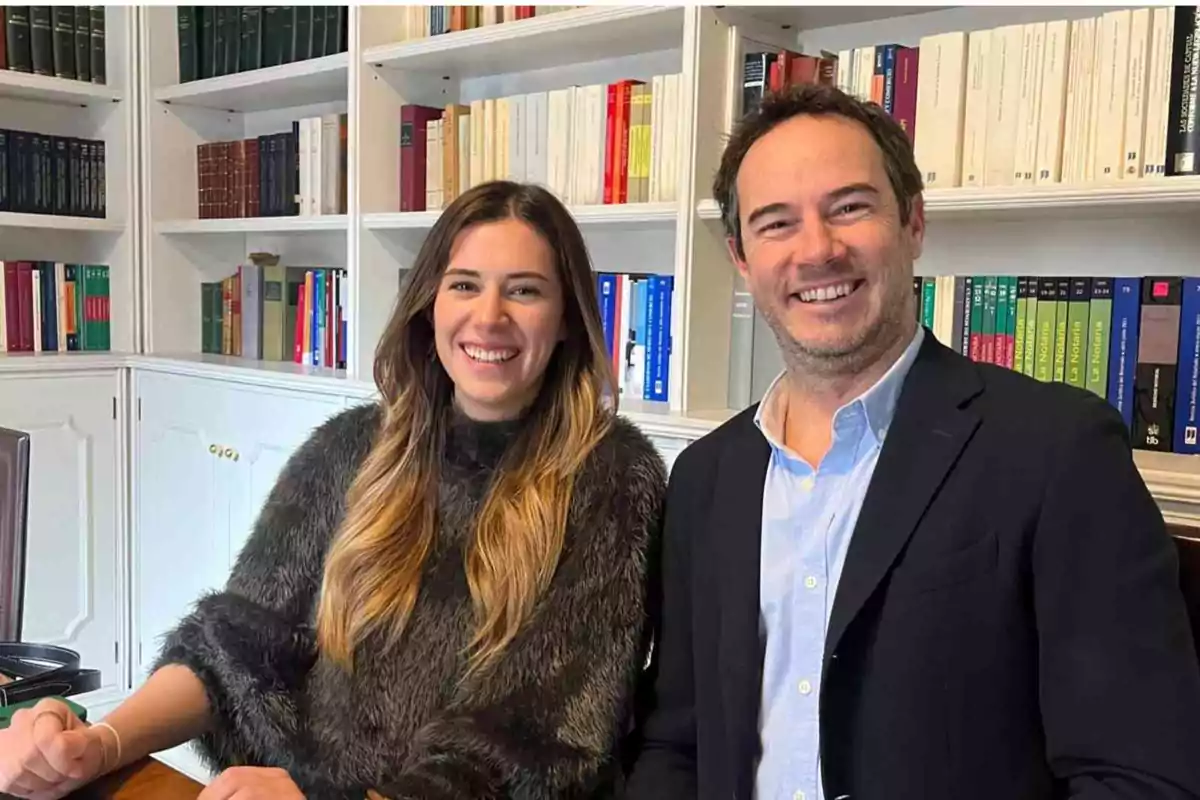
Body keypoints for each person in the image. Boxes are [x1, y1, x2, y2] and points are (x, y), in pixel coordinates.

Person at [0, 180, 668, 800]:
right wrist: (99, 742)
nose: (488, 316)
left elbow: (542, 748)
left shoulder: (612, 478)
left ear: (568, 319)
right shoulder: (351, 446)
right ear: (430, 303)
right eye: (464, 284)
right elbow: (232, 644)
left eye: (524, 291)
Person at [623, 83, 1200, 800]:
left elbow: (1139, 776)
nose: (818, 250)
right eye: (776, 223)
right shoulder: (708, 476)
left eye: (850, 207)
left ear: (913, 223)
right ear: (741, 259)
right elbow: (678, 741)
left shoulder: (1057, 451)